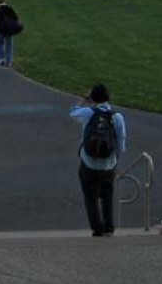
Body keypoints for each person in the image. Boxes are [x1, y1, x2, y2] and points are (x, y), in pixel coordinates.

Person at [70, 83, 128, 236]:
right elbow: (121, 142)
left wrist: (83, 99)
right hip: (108, 165)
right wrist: (115, 157)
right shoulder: (117, 117)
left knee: (90, 198)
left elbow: (72, 112)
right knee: (107, 196)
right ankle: (109, 227)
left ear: (93, 98)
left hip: (88, 162)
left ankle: (97, 229)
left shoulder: (88, 113)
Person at [0, 0, 21, 67]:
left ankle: (1, 59)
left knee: (0, 44)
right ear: (5, 2)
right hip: (9, 30)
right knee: (9, 46)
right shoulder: (10, 9)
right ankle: (9, 61)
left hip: (0, 30)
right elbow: (16, 18)